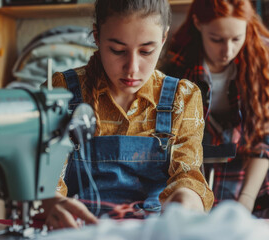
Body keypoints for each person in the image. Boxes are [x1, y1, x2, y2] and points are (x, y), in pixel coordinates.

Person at [42, 0, 214, 229]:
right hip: (79, 229)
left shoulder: (182, 97)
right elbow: (46, 176)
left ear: (163, 39)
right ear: (97, 36)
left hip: (153, 230)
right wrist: (50, 201)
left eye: (146, 51)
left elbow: (187, 174)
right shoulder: (61, 91)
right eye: (118, 50)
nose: (132, 67)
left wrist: (186, 199)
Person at [160, 0, 269, 219]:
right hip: (216, 151)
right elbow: (180, 136)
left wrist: (246, 199)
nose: (227, 50)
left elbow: (265, 136)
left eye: (236, 39)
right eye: (217, 39)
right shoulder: (177, 62)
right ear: (198, 23)